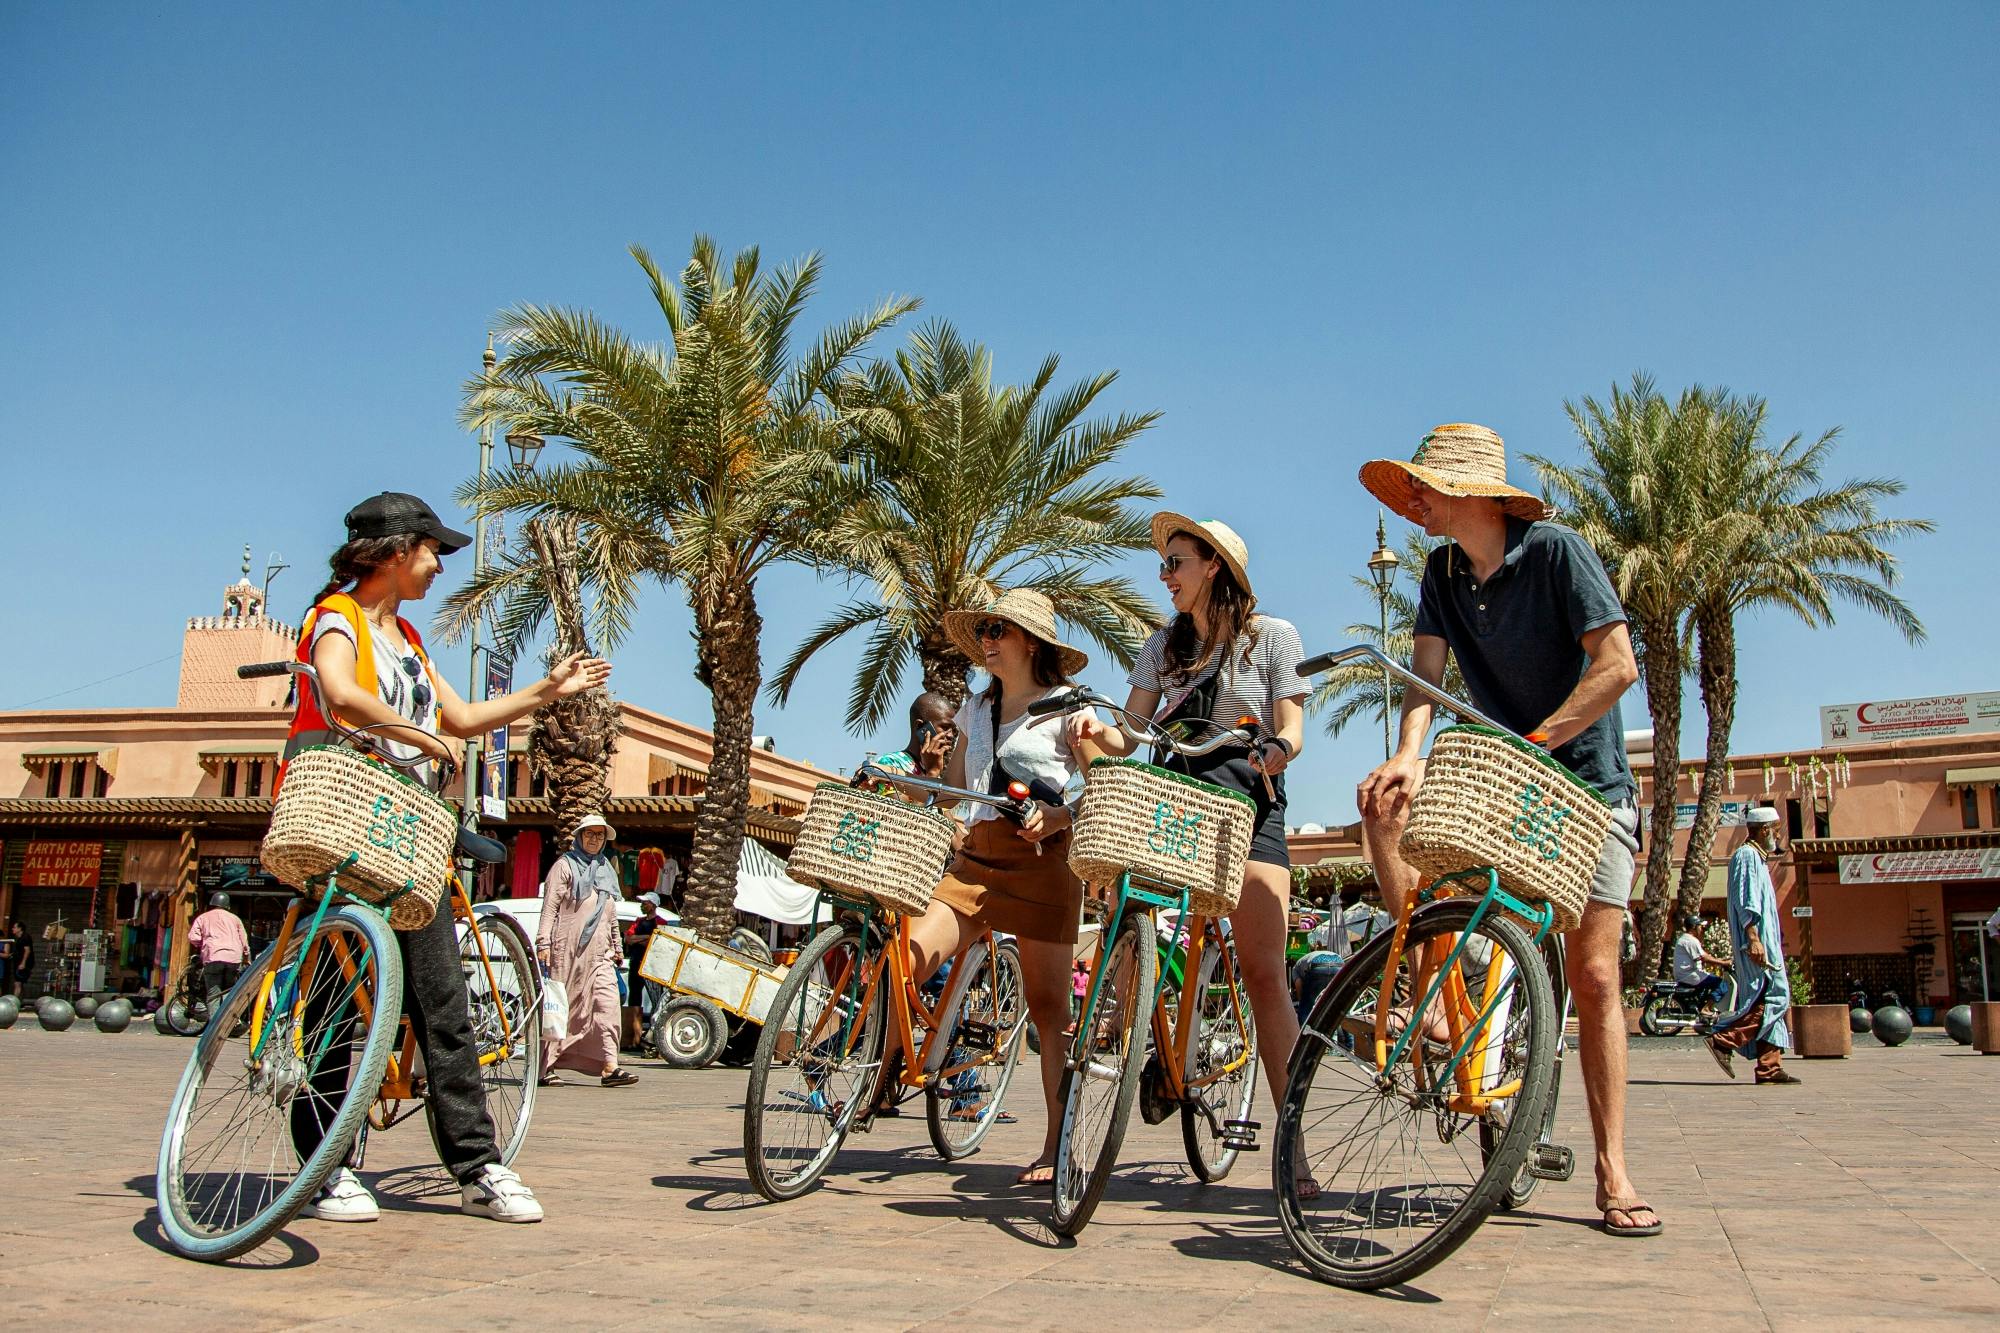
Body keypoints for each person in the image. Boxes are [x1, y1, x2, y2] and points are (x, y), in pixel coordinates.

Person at [1354, 424, 1657, 1238]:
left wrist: (1543, 738)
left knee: (1594, 979)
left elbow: (1619, 663)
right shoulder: (1440, 570)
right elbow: (1424, 672)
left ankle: (1612, 1170)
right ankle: (1433, 992)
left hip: (1587, 786)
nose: (1413, 501)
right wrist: (1410, 755)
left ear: (1467, 492)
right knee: (1381, 803)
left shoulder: (1556, 553)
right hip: (1507, 788)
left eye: (1422, 488)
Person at [288, 491, 612, 1226]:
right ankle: (323, 1166)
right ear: (395, 552)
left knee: (443, 1003)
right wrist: (422, 736)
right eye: (431, 550)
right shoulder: (336, 619)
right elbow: (337, 690)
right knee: (339, 1005)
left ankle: (477, 1165)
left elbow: (462, 716)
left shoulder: (405, 637)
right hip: (345, 823)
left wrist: (546, 690)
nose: (437, 566)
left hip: (409, 836)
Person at [1065, 514, 1309, 1127]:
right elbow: (1131, 733)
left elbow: (1293, 728)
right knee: (1130, 915)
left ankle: (1293, 1139)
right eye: (1164, 563)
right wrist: (1098, 729)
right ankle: (1152, 1042)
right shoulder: (1160, 647)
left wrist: (1279, 748)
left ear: (1214, 567)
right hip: (1176, 797)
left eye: (1176, 562)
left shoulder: (1274, 636)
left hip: (1248, 794)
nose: (1164, 574)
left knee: (1262, 971)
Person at [894, 588, 1091, 1184]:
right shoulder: (974, 709)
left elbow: (1098, 784)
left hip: (1043, 861)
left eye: (997, 630)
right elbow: (955, 788)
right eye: (982, 629)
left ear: (1030, 641)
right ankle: (880, 1078)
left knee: (1050, 1010)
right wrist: (914, 791)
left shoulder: (1069, 708)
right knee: (908, 956)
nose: (986, 640)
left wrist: (1060, 816)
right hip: (975, 860)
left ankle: (1059, 1144)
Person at [538, 813, 639, 1088]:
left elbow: (610, 913)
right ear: (580, 836)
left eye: (599, 835)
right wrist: (543, 943)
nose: (594, 840)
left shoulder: (606, 868)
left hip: (601, 954)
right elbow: (549, 908)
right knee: (563, 1008)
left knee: (607, 1006)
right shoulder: (564, 866)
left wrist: (617, 946)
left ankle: (610, 1066)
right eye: (590, 834)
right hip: (567, 949)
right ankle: (545, 1067)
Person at [1708, 807, 1799, 1085]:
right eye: (1776, 827)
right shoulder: (1747, 856)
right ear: (1764, 830)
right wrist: (1754, 937)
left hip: (1765, 943)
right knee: (1771, 997)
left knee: (1769, 998)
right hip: (1756, 944)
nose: (1779, 833)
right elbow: (1746, 901)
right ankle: (1724, 1040)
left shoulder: (1759, 859)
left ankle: (1769, 1067)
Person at [859, 692, 958, 791]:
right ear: (920, 727)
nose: (951, 735)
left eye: (953, 730)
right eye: (945, 727)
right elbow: (898, 807)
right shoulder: (890, 764)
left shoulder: (937, 770)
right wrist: (932, 773)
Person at [186, 892, 249, 1014]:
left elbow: (193, 937)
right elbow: (244, 942)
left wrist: (202, 944)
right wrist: (246, 958)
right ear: (227, 906)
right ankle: (228, 1023)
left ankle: (214, 1026)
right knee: (228, 991)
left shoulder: (203, 917)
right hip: (233, 958)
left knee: (214, 993)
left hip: (213, 957)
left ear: (212, 904)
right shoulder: (235, 919)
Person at [627, 890, 669, 1037]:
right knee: (634, 997)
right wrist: (646, 937)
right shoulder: (638, 921)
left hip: (652, 967)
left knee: (656, 999)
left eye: (645, 903)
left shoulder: (661, 923)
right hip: (635, 964)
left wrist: (639, 939)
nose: (642, 905)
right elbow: (628, 939)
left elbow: (656, 943)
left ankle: (655, 1034)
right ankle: (633, 1035)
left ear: (653, 905)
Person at [1671, 913, 1731, 1012]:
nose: (1702, 929)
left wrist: (1722, 960)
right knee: (1720, 983)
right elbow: (1705, 958)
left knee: (1709, 982)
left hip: (1689, 974)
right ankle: (1707, 1009)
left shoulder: (1687, 939)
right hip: (1689, 975)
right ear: (1694, 927)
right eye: (1700, 926)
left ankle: (1700, 1006)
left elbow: (1704, 955)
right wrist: (1724, 963)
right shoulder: (1690, 940)